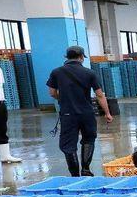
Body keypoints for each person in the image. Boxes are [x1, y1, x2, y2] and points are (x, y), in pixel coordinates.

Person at [47, 45, 112, 177]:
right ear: (81, 57)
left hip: (67, 114)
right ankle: (86, 169)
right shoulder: (89, 73)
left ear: (66, 57)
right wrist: (107, 113)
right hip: (87, 113)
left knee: (68, 145)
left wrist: (63, 98)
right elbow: (100, 95)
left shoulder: (56, 72)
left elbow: (52, 93)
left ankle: (75, 175)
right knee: (89, 139)